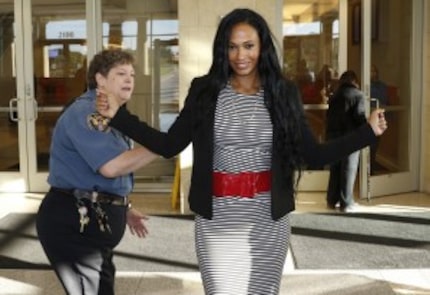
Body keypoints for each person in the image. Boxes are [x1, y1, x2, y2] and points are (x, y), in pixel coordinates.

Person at [97, 9, 387, 295]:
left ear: (262, 47)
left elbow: (313, 155)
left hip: (267, 219)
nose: (240, 55)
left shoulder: (282, 92)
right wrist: (120, 116)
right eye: (232, 47)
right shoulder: (204, 90)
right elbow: (170, 144)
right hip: (218, 219)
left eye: (249, 46)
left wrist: (366, 133)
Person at [36, 49, 158, 295]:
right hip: (73, 224)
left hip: (91, 221)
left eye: (132, 75)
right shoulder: (88, 113)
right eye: (121, 73)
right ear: (100, 79)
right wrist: (163, 146)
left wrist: (123, 205)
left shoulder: (111, 114)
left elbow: (94, 175)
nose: (129, 80)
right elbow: (111, 166)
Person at [325, 70, 367, 212]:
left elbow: (329, 117)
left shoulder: (334, 96)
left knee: (335, 169)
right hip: (350, 137)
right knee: (349, 169)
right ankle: (346, 202)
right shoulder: (358, 95)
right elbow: (359, 116)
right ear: (355, 81)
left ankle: (331, 200)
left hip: (333, 137)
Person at [370, 64, 388, 174]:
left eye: (374, 71)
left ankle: (371, 166)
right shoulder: (363, 85)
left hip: (378, 116)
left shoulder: (381, 86)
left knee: (375, 143)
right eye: (370, 71)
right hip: (366, 117)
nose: (372, 73)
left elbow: (382, 100)